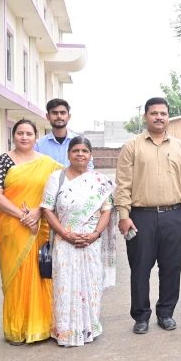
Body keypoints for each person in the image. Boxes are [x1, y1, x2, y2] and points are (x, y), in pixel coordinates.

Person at [115, 98, 181, 334]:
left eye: (163, 113)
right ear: (145, 117)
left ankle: (166, 313)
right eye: (154, 113)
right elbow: (123, 183)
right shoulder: (132, 146)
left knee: (171, 267)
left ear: (168, 116)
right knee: (140, 268)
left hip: (175, 216)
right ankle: (141, 316)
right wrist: (124, 215)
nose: (159, 117)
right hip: (141, 217)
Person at [0, 119, 63, 345]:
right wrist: (23, 216)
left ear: (35, 137)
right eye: (20, 133)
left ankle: (41, 326)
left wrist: (37, 212)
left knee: (41, 274)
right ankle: (17, 328)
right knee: (16, 276)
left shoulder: (47, 163)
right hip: (12, 227)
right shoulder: (2, 160)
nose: (24, 137)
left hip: (40, 226)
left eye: (29, 133)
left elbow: (59, 188)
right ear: (13, 135)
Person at [40, 137, 117, 346]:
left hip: (91, 242)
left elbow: (106, 210)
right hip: (65, 240)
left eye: (84, 151)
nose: (80, 154)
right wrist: (65, 234)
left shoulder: (100, 181)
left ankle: (89, 328)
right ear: (68, 154)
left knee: (91, 284)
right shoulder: (57, 178)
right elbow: (47, 209)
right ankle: (65, 331)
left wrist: (95, 234)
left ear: (91, 155)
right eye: (75, 150)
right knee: (64, 286)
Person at [34, 98, 92, 168]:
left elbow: (89, 167)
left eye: (63, 113)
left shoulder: (80, 143)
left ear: (69, 116)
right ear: (48, 116)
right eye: (54, 113)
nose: (59, 116)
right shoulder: (38, 145)